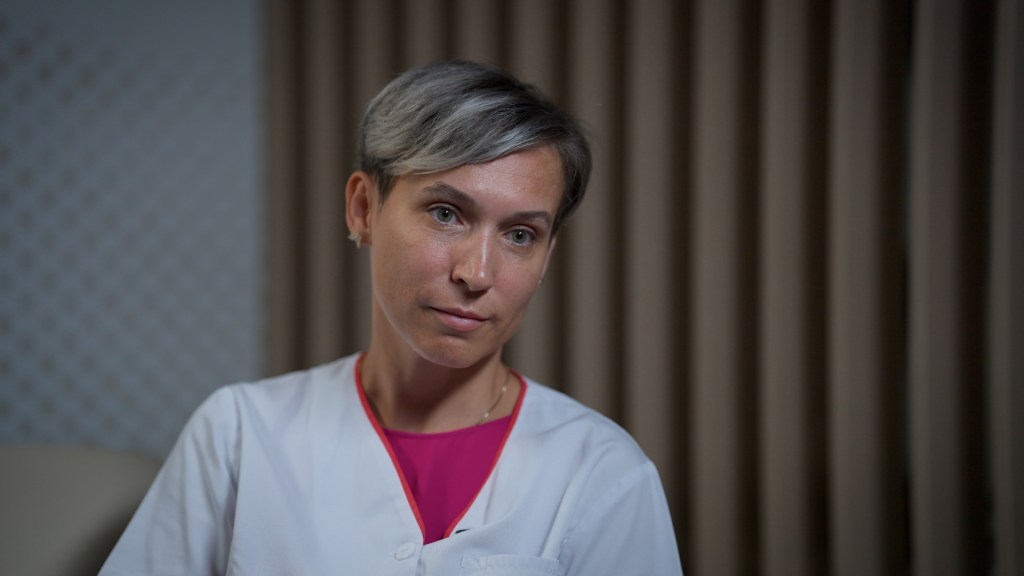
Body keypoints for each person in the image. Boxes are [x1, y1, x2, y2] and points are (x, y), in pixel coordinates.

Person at [100, 59, 683, 575]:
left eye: (520, 235)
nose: (477, 273)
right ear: (363, 209)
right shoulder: (238, 436)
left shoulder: (603, 474)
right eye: (446, 213)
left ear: (547, 255)